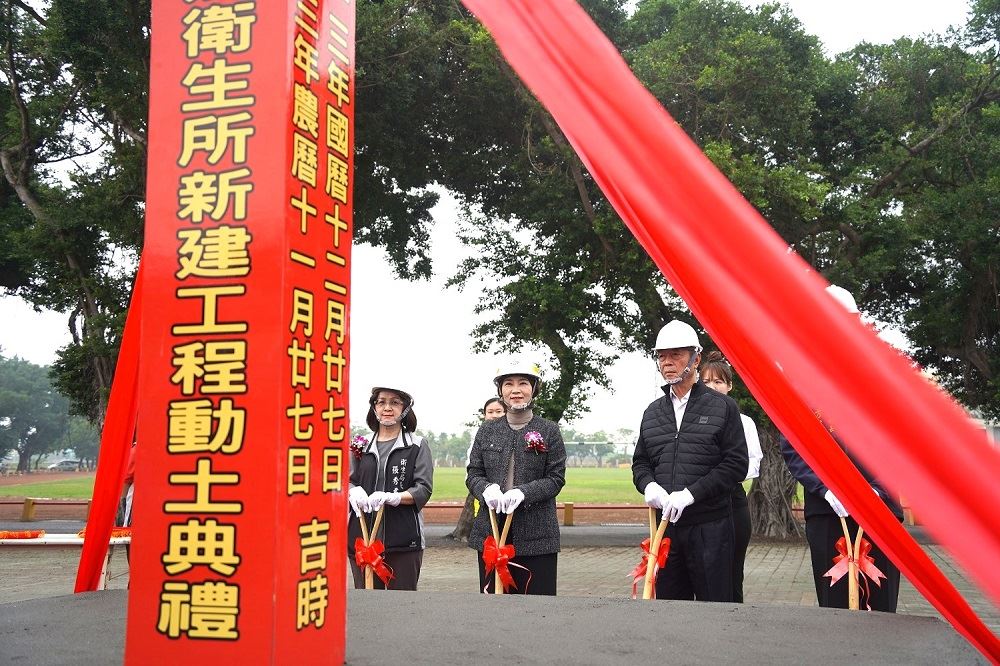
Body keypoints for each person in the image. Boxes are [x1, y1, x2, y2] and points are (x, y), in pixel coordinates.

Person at [780, 285, 903, 611]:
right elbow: (793, 446)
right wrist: (826, 488)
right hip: (827, 511)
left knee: (882, 607)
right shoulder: (800, 382)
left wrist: (878, 489)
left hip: (880, 509)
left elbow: (900, 443)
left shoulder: (884, 377)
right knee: (834, 608)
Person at [632, 320, 748, 602]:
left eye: (676, 355)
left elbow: (735, 464)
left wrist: (691, 494)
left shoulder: (723, 407)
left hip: (712, 526)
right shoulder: (652, 412)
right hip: (667, 529)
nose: (667, 362)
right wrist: (649, 487)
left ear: (695, 358)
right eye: (662, 356)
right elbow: (641, 464)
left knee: (716, 606)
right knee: (671, 609)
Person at [466, 361, 566, 595]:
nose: (516, 390)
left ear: (534, 389)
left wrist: (524, 492)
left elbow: (555, 478)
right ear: (500, 391)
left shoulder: (549, 430)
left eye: (523, 383)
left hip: (538, 536)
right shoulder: (487, 430)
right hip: (491, 533)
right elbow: (473, 474)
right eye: (508, 384)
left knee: (537, 608)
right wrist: (486, 489)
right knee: (494, 607)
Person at [347, 384, 433, 590]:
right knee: (367, 601)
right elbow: (345, 480)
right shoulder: (359, 444)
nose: (387, 408)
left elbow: (423, 488)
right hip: (363, 536)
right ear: (374, 408)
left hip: (403, 539)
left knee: (402, 603)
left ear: (405, 409)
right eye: (381, 402)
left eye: (395, 403)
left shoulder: (417, 445)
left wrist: (395, 497)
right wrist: (352, 490)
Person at [698, 351, 764, 603]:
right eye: (706, 382)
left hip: (731, 502)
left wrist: (720, 475)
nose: (712, 387)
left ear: (730, 385)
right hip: (698, 503)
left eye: (718, 382)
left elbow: (753, 464)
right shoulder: (690, 418)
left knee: (732, 574)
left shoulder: (744, 421)